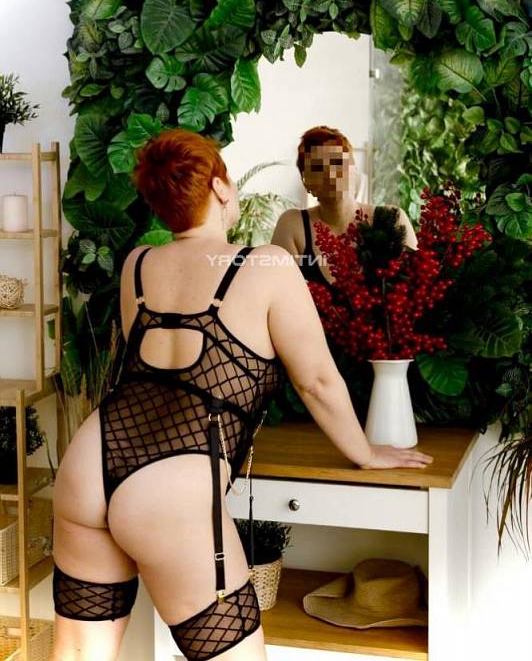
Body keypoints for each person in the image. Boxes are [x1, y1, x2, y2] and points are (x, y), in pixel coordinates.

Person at [51, 127, 433, 661]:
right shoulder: (267, 266)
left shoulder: (138, 264)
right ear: (220, 187)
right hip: (170, 487)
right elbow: (317, 381)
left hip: (88, 464)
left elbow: (155, 379)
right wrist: (365, 453)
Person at [271, 125, 418, 290]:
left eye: (338, 162)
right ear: (306, 183)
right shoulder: (293, 225)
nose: (331, 174)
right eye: (318, 167)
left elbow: (418, 288)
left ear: (354, 169)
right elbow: (278, 293)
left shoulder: (392, 218)